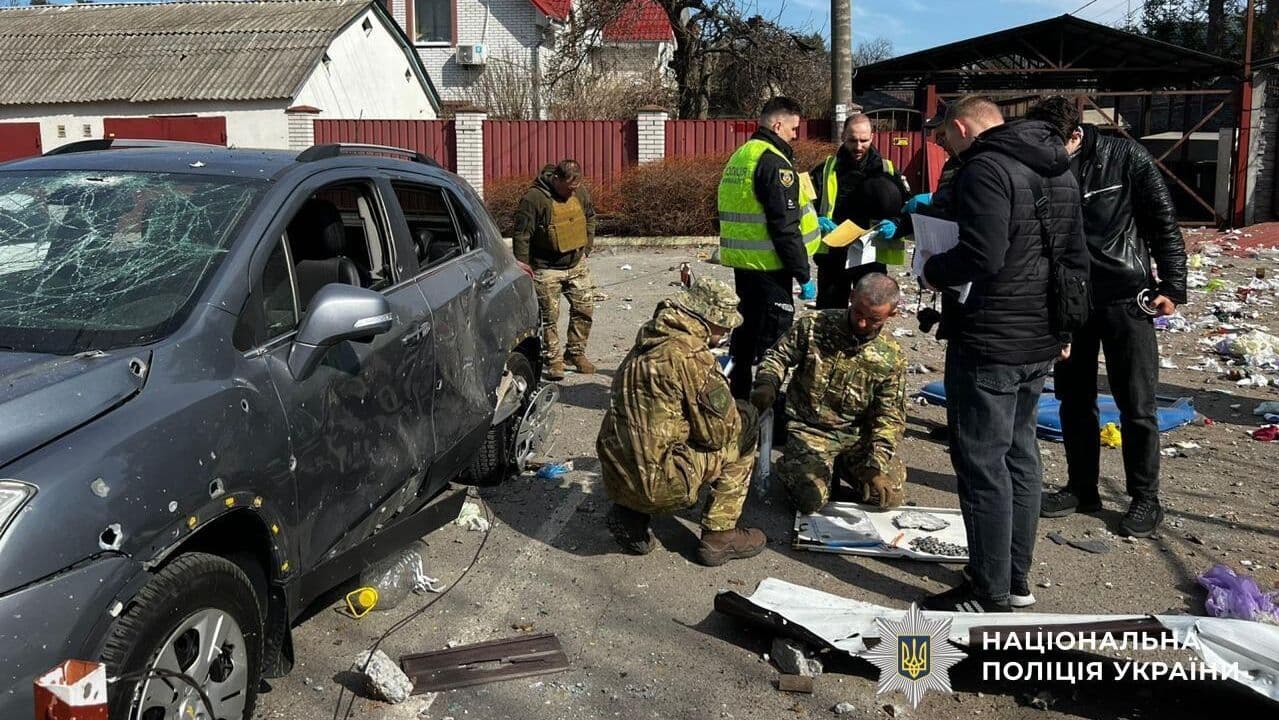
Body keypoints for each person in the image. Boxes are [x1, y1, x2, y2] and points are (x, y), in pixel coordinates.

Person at [920, 96, 1089, 613]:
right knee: (1020, 455)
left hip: (991, 338)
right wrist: (1064, 328)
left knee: (981, 463)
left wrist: (931, 269)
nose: (946, 146)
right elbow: (1074, 255)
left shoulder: (985, 168)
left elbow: (982, 254)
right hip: (1038, 338)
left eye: (947, 137)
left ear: (964, 126)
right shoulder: (1059, 167)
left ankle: (989, 588)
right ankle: (1015, 577)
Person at [1027, 96, 1188, 538]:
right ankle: (1081, 488)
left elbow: (1163, 221)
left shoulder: (1125, 156)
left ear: (1075, 136)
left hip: (1124, 295)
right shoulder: (1046, 166)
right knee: (1073, 399)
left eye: (1052, 142)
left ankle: (1145, 498)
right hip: (1070, 300)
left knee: (1136, 403)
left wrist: (1172, 286)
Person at [596, 276, 767, 567]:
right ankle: (720, 535)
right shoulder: (691, 357)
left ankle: (630, 514)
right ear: (710, 319)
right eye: (725, 325)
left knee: (649, 433)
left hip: (617, 472)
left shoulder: (648, 339)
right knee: (745, 423)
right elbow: (718, 435)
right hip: (661, 481)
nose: (727, 331)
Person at [751, 273, 909, 513]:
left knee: (888, 497)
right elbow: (778, 356)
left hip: (855, 436)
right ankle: (794, 465)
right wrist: (766, 383)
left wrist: (875, 465)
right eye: (859, 313)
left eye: (874, 319)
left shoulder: (891, 356)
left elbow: (890, 417)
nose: (863, 323)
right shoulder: (815, 324)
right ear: (851, 297)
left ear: (892, 314)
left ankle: (843, 467)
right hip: (809, 429)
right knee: (810, 501)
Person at [718, 96, 822, 399]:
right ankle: (767, 417)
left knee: (745, 334)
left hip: (745, 264)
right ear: (778, 124)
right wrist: (803, 275)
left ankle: (738, 401)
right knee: (773, 345)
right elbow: (784, 227)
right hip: (770, 268)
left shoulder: (742, 155)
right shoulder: (775, 162)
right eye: (793, 129)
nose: (795, 135)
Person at [809, 114, 910, 309]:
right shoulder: (826, 169)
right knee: (830, 312)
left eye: (864, 140)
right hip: (834, 254)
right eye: (852, 140)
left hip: (871, 254)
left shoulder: (887, 169)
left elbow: (906, 207)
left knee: (870, 311)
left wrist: (896, 225)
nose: (858, 146)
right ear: (843, 137)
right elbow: (804, 206)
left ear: (872, 137)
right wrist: (816, 220)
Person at [512, 159, 597, 381]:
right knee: (549, 317)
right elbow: (522, 234)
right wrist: (523, 266)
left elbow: (589, 216)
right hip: (546, 268)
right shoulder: (534, 199)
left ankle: (575, 354)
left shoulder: (579, 192)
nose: (572, 192)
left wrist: (587, 247)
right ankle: (554, 360)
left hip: (576, 264)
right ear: (556, 179)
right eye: (568, 187)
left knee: (584, 309)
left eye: (575, 187)